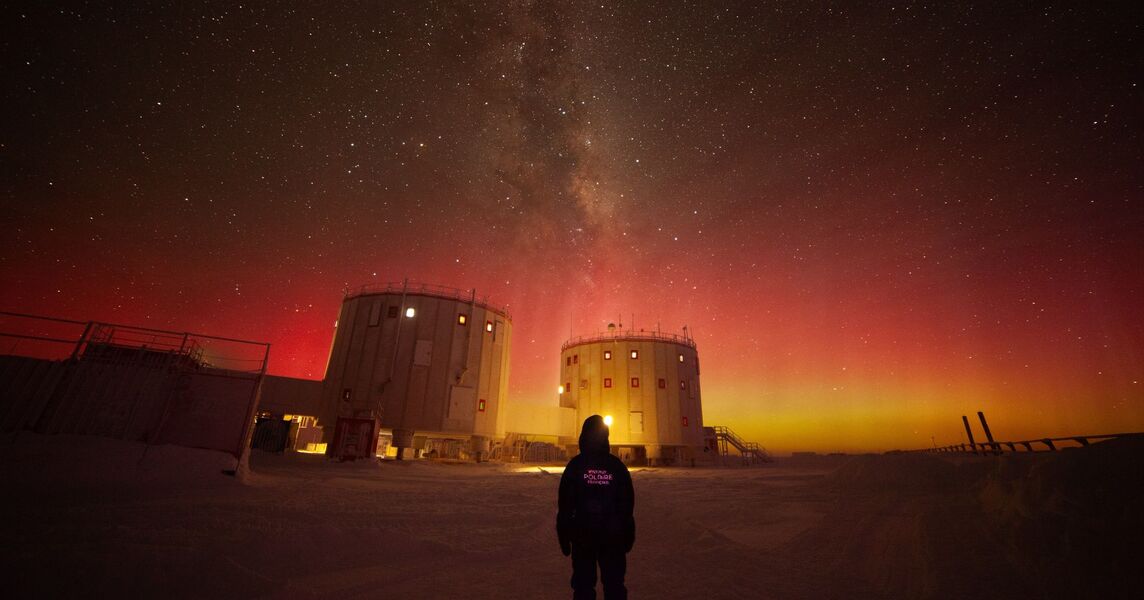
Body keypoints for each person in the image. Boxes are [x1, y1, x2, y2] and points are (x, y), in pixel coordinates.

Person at [557, 415, 635, 599]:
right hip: (612, 536)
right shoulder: (616, 467)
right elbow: (626, 503)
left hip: (583, 536)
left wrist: (563, 532)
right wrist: (628, 530)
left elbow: (565, 504)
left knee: (583, 586)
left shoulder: (575, 466)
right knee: (614, 585)